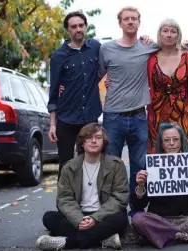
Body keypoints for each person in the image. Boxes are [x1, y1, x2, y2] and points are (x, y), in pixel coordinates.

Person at [36, 123, 129, 250]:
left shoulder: (116, 165)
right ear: (82, 142)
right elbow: (64, 198)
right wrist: (79, 220)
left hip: (104, 214)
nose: (94, 141)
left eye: (98, 137)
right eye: (89, 137)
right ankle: (105, 238)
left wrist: (95, 218)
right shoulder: (69, 167)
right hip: (80, 213)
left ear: (104, 142)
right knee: (49, 218)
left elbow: (119, 197)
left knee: (121, 219)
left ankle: (67, 243)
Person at [98, 6, 159, 200]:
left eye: (134, 18)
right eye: (126, 19)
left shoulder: (148, 46)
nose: (131, 21)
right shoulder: (106, 49)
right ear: (120, 23)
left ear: (139, 22)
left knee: (139, 166)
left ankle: (137, 211)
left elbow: (172, 46)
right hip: (112, 116)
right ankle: (113, 210)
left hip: (139, 116)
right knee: (111, 166)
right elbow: (95, 76)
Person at [130, 123, 188, 249]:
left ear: (181, 141)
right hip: (160, 219)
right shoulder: (151, 166)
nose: (172, 143)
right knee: (138, 219)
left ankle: (163, 235)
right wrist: (140, 187)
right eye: (167, 140)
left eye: (175, 139)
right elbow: (139, 205)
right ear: (161, 144)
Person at [47, 11, 102, 179]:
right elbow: (54, 91)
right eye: (73, 27)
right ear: (67, 31)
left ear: (85, 27)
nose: (78, 29)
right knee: (66, 165)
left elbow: (114, 58)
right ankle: (64, 204)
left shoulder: (96, 47)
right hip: (67, 118)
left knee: (91, 163)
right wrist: (53, 124)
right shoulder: (58, 56)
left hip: (90, 117)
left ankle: (90, 203)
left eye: (81, 25)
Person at [146, 18, 188, 154]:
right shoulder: (150, 58)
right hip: (157, 112)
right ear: (159, 34)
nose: (169, 35)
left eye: (173, 31)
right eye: (165, 31)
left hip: (183, 112)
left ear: (178, 35)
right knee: (157, 150)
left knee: (185, 151)